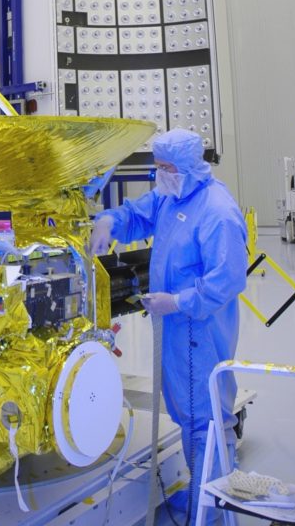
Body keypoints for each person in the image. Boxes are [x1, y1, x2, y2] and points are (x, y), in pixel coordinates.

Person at [89, 128, 247, 524]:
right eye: (157, 167)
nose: (159, 175)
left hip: (200, 331)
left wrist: (176, 301)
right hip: (177, 333)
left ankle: (207, 512)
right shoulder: (171, 195)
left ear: (189, 166)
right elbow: (139, 214)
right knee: (186, 413)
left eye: (166, 168)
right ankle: (200, 493)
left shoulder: (217, 211)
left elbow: (226, 280)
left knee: (204, 421)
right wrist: (109, 221)